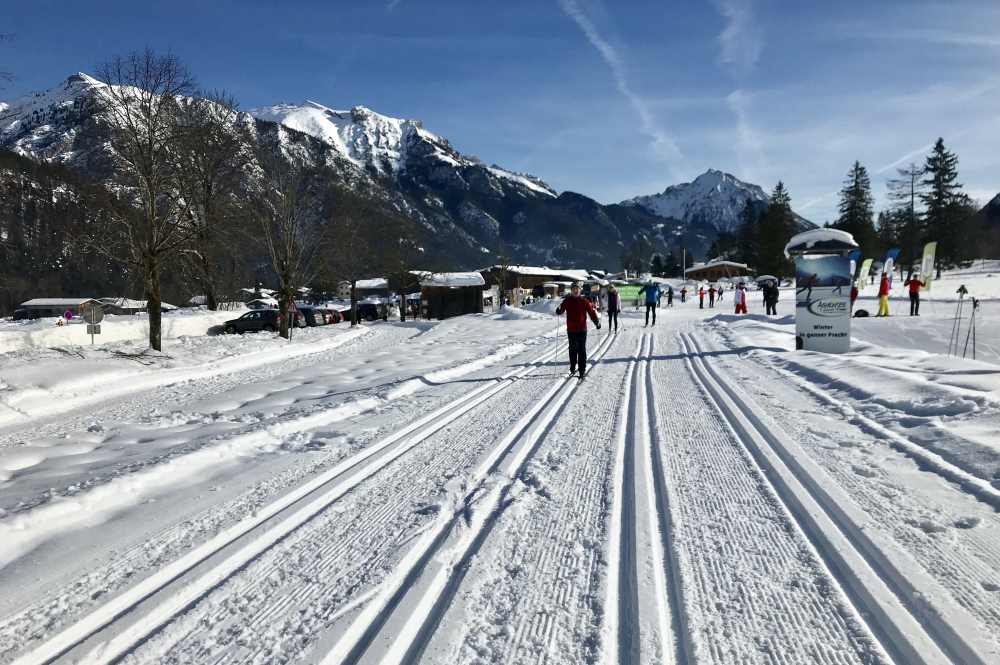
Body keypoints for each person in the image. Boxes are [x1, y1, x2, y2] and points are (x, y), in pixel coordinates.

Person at [555, 282, 600, 379]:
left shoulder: (584, 301)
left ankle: (582, 370)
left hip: (582, 329)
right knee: (572, 349)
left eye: (577, 289)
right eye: (574, 289)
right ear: (571, 290)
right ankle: (572, 366)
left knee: (581, 350)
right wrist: (559, 310)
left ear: (580, 290)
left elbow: (591, 312)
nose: (575, 291)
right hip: (571, 329)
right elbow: (561, 309)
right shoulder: (567, 301)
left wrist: (596, 322)